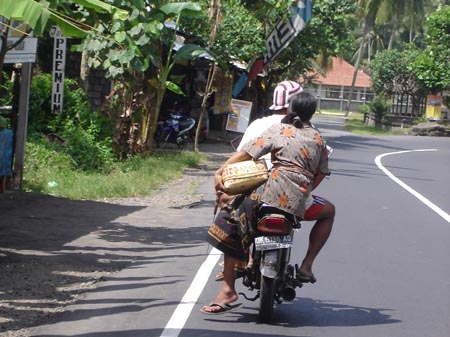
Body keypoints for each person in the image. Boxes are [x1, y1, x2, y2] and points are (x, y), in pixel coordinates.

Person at [201, 89, 335, 315]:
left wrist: (220, 171)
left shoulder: (278, 129)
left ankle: (228, 288)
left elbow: (247, 153)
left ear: (290, 109)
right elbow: (322, 172)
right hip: (301, 200)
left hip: (269, 194)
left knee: (230, 216)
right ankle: (307, 265)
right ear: (312, 113)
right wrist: (304, 190)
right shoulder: (319, 139)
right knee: (329, 212)